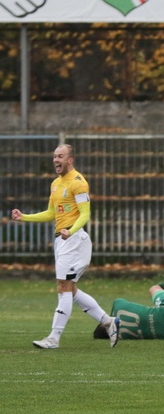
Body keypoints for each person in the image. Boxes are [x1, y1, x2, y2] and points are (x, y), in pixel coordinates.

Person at [11, 144, 119, 349]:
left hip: (74, 239)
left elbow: (85, 214)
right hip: (62, 240)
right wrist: (24, 217)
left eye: (60, 156)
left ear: (70, 160)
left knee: (63, 287)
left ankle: (54, 338)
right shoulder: (55, 184)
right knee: (70, 288)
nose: (55, 160)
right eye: (54, 156)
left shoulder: (79, 183)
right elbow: (51, 213)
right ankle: (108, 321)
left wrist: (71, 229)